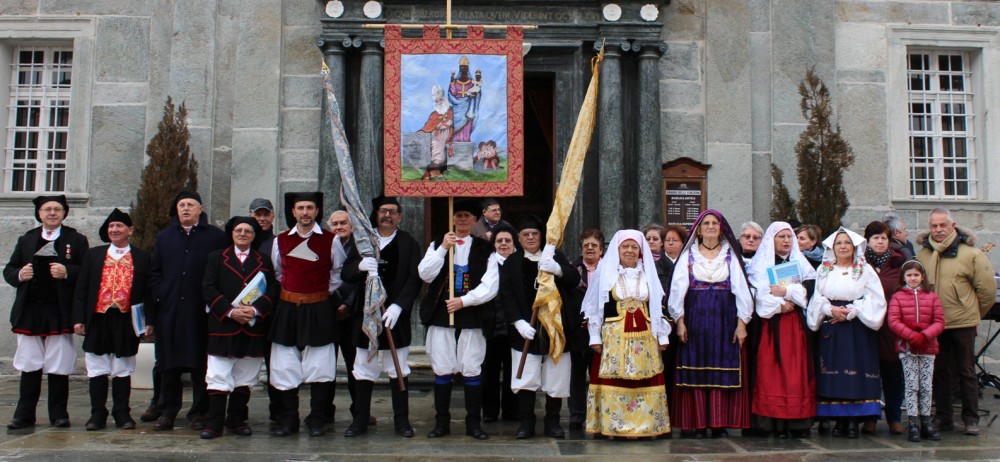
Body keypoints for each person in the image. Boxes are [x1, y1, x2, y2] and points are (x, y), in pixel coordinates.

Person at [4, 195, 89, 429]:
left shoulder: (76, 240)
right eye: (47, 209)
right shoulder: (27, 239)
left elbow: (87, 272)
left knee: (58, 364)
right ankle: (24, 415)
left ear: (64, 213)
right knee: (30, 364)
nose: (52, 213)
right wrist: (21, 274)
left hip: (59, 310)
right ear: (39, 214)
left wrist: (67, 272)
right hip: (30, 310)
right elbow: (10, 270)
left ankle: (59, 414)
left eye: (57, 209)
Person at [667, 210, 753, 438]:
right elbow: (677, 291)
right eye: (706, 223)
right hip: (695, 319)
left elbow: (742, 291)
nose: (711, 226)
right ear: (699, 228)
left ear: (722, 228)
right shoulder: (688, 256)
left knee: (722, 370)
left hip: (724, 319)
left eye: (715, 222)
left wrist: (742, 323)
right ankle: (696, 422)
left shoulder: (730, 256)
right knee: (695, 369)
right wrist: (680, 321)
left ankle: (718, 422)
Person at [342, 196, 422, 438]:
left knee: (397, 369)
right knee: (363, 368)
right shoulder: (362, 241)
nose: (387, 215)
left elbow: (414, 278)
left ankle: (402, 421)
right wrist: (360, 266)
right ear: (376, 214)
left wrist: (399, 306)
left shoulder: (408, 242)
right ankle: (360, 420)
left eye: (393, 212)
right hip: (365, 317)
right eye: (383, 211)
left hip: (394, 317)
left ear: (400, 216)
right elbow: (346, 273)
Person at [147, 191, 226, 431]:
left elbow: (221, 271)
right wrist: (162, 292)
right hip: (170, 310)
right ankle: (168, 410)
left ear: (200, 209)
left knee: (199, 364)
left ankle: (199, 412)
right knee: (168, 363)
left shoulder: (215, 237)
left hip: (200, 310)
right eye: (181, 205)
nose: (185, 209)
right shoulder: (165, 237)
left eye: (190, 205)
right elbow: (154, 272)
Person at [496, 215, 580, 439]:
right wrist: (518, 322)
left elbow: (573, 279)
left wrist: (558, 269)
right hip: (525, 330)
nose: (531, 237)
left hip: (555, 329)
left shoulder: (554, 256)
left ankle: (552, 422)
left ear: (541, 236)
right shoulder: (511, 263)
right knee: (527, 376)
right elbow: (506, 295)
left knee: (556, 376)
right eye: (526, 235)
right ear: (519, 239)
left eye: (534, 234)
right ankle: (526, 422)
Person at [418, 199, 495, 440]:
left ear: (474, 220)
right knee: (442, 368)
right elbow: (425, 274)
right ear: (453, 218)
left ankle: (474, 423)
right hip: (443, 313)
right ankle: (442, 423)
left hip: (471, 311)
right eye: (458, 215)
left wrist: (465, 301)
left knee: (472, 367)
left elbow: (491, 285)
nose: (462, 220)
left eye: (467, 216)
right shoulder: (437, 245)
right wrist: (442, 248)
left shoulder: (485, 248)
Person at [582, 230, 671, 438]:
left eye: (634, 247)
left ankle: (647, 426)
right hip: (615, 336)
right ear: (618, 250)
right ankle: (614, 426)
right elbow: (595, 306)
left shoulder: (648, 274)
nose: (629, 251)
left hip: (645, 336)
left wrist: (663, 334)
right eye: (625, 247)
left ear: (641, 251)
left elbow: (658, 305)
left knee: (645, 376)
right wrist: (594, 336)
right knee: (616, 378)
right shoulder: (607, 274)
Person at [916, 208, 996, 436]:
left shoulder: (971, 254)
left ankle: (971, 419)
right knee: (939, 372)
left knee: (966, 371)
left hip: (962, 323)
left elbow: (987, 290)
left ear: (953, 226)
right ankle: (943, 417)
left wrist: (973, 314)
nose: (938, 230)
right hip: (935, 325)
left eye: (943, 225)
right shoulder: (923, 255)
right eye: (934, 226)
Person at [268, 192, 342, 437]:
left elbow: (337, 273)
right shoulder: (280, 241)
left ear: (317, 211)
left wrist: (317, 294)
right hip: (287, 307)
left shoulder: (331, 241)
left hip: (319, 307)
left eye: (310, 208)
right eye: (300, 208)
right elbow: (278, 272)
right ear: (293, 212)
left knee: (320, 363)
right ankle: (289, 419)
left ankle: (317, 419)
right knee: (285, 361)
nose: (305, 212)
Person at [200, 216, 278, 439]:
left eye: (248, 231)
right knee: (219, 374)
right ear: (232, 233)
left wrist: (254, 310)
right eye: (239, 230)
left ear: (254, 236)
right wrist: (232, 311)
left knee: (245, 375)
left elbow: (272, 290)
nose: (243, 234)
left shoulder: (263, 260)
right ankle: (214, 422)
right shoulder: (216, 258)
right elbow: (208, 288)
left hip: (252, 326)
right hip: (224, 325)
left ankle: (237, 419)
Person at [72, 209, 150, 431]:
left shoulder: (142, 257)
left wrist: (148, 321)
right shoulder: (95, 255)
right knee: (97, 367)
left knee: (122, 367)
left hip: (126, 319)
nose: (114, 230)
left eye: (119, 226)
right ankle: (97, 414)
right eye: (111, 227)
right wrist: (79, 318)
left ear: (130, 230)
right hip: (98, 317)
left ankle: (122, 413)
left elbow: (147, 291)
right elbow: (82, 288)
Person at [806, 227, 886, 438]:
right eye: (839, 243)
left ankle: (854, 421)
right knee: (834, 374)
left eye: (847, 243)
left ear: (854, 247)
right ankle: (839, 421)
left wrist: (853, 311)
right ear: (832, 247)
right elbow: (817, 297)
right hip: (831, 325)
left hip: (856, 328)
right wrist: (828, 309)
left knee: (855, 372)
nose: (842, 246)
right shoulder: (824, 270)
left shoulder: (865, 270)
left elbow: (876, 299)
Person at [747, 222, 817, 438]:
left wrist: (786, 291)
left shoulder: (801, 264)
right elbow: (759, 294)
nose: (786, 240)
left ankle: (796, 422)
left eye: (789, 237)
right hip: (770, 327)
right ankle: (771, 422)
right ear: (772, 240)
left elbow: (808, 291)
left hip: (794, 326)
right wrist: (780, 304)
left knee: (795, 372)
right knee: (770, 372)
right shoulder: (758, 266)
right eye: (782, 237)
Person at [886, 260, 944, 442]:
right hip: (908, 347)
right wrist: (912, 336)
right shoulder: (898, 297)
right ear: (904, 277)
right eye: (909, 275)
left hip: (928, 347)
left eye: (916, 275)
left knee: (926, 386)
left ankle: (926, 422)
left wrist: (925, 335)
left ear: (922, 277)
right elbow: (894, 321)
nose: (913, 278)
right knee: (912, 386)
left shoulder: (932, 296)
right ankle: (913, 423)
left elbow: (939, 321)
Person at [864, 220, 907, 435]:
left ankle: (894, 417)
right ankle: (869, 417)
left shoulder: (899, 262)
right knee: (870, 374)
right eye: (876, 238)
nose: (880, 242)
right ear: (868, 241)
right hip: (867, 327)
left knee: (892, 374)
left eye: (884, 238)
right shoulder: (860, 263)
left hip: (892, 328)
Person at [326, 210, 368, 426]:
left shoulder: (361, 246)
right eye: (335, 223)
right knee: (325, 365)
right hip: (327, 313)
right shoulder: (323, 244)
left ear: (351, 226)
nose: (339, 227)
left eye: (343, 223)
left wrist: (347, 304)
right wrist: (333, 305)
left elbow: (361, 278)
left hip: (353, 314)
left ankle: (359, 411)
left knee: (355, 365)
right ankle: (324, 410)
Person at [481, 223, 519, 424]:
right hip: (491, 325)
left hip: (514, 328)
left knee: (513, 370)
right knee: (490, 371)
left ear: (514, 244)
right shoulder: (487, 264)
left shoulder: (520, 263)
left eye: (507, 240)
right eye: (499, 240)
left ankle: (511, 411)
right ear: (493, 244)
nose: (503, 244)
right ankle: (489, 411)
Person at [568, 228, 604, 430]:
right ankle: (577, 414)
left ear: (601, 249)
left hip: (603, 331)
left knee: (599, 373)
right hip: (577, 331)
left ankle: (598, 412)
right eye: (586, 245)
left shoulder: (610, 269)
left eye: (594, 245)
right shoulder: (573, 269)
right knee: (577, 374)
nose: (590, 248)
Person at [419, 85, 454, 181]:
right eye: (436, 101)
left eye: (441, 100)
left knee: (444, 156)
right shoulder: (434, 114)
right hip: (437, 135)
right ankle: (433, 173)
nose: (439, 102)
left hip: (449, 134)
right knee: (437, 152)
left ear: (445, 99)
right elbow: (428, 126)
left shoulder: (452, 111)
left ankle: (430, 173)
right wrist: (422, 131)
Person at [448, 55, 482, 142]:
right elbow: (452, 93)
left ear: (468, 69)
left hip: (469, 107)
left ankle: (465, 140)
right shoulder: (455, 82)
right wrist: (452, 79)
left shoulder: (472, 82)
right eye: (462, 67)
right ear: (460, 68)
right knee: (455, 125)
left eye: (465, 67)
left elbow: (477, 93)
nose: (464, 69)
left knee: (467, 123)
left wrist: (475, 95)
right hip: (457, 108)